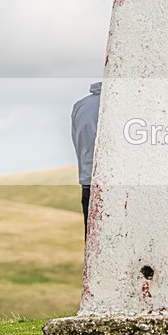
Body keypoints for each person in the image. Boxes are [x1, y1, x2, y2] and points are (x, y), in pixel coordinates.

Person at [71, 82, 101, 237]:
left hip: (87, 182)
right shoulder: (120, 105)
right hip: (115, 186)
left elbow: (78, 143)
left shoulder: (81, 105)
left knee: (92, 244)